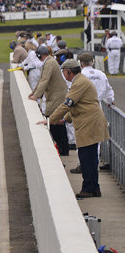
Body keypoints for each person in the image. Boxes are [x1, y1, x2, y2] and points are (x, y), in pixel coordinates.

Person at [43, 59, 110, 199]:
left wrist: (50, 120)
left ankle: (88, 188)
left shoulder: (79, 83)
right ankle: (94, 188)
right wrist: (64, 119)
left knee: (86, 157)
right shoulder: (80, 80)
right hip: (92, 121)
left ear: (68, 71)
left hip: (89, 123)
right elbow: (76, 105)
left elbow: (67, 104)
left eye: (63, 71)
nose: (63, 74)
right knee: (91, 158)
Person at [29, 45, 69, 155]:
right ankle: (62, 147)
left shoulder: (50, 63)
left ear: (39, 55)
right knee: (53, 120)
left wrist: (36, 96)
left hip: (56, 95)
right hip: (54, 95)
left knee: (54, 120)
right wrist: (34, 92)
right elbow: (42, 79)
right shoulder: (49, 62)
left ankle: (63, 148)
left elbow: (45, 80)